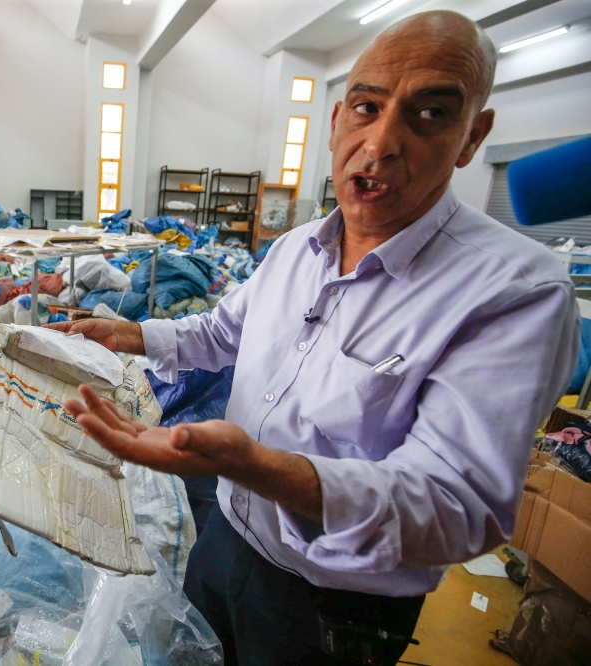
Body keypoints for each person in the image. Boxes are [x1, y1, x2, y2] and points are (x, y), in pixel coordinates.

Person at [48, 10, 580, 665]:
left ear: (474, 136)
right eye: (367, 105)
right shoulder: (297, 248)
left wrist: (254, 464)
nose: (382, 142)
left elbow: (454, 505)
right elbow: (221, 332)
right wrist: (132, 333)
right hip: (226, 534)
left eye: (431, 113)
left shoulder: (513, 293)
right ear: (336, 121)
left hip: (336, 599)